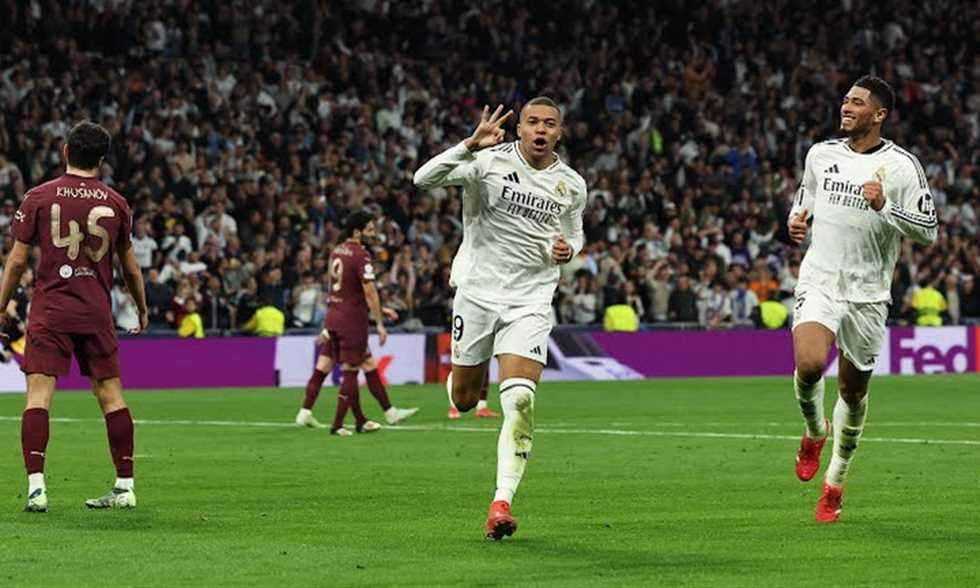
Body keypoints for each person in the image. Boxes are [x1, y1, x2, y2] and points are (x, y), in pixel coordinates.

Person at [414, 98, 587, 540]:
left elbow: (575, 233)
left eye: (549, 124)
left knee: (521, 400)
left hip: (530, 300)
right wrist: (468, 145)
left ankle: (501, 501)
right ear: (520, 128)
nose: (541, 129)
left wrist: (568, 250)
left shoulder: (571, 184)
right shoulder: (486, 162)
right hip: (477, 293)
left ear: (559, 132)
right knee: (464, 399)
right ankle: (466, 377)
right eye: (532, 122)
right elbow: (422, 179)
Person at [788, 76, 938, 523]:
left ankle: (835, 483)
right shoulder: (821, 154)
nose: (846, 107)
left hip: (869, 295)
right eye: (846, 100)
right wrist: (797, 217)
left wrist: (884, 207)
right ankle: (814, 430)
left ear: (879, 114)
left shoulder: (902, 166)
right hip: (821, 280)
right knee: (810, 364)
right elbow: (806, 194)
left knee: (853, 393)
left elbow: (928, 230)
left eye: (857, 102)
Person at [0, 121, 149, 512]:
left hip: (51, 309)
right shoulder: (116, 203)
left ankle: (37, 489)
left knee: (38, 395)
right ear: (102, 159)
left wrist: (1, 306)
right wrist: (142, 307)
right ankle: (125, 486)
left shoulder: (38, 196)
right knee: (111, 395)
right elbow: (130, 267)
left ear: (65, 151)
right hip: (95, 310)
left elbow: (16, 262)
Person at [300, 211, 417, 436]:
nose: (373, 234)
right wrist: (379, 323)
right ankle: (337, 425)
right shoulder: (361, 255)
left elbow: (346, 289)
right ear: (357, 231)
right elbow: (369, 291)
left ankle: (369, 418)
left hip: (333, 317)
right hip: (352, 322)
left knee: (366, 364)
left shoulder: (336, 251)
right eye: (370, 230)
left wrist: (379, 309)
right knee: (351, 371)